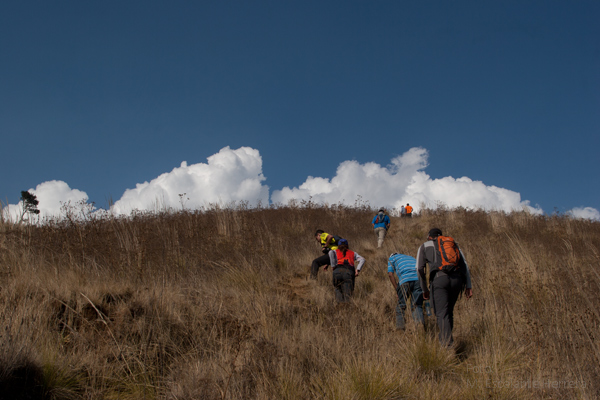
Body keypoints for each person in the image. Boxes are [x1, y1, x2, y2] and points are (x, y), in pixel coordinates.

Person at [416, 228, 473, 346]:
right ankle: (446, 340)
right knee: (448, 311)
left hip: (439, 280)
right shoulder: (452, 244)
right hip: (457, 280)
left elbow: (419, 268)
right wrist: (468, 285)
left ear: (429, 237)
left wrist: (424, 288)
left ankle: (447, 346)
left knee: (441, 313)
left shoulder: (425, 246)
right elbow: (465, 266)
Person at [388, 253, 424, 330]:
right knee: (417, 305)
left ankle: (400, 329)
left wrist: (397, 289)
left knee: (401, 306)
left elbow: (390, 274)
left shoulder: (391, 259)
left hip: (405, 281)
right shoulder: (411, 256)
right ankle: (420, 327)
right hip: (418, 280)